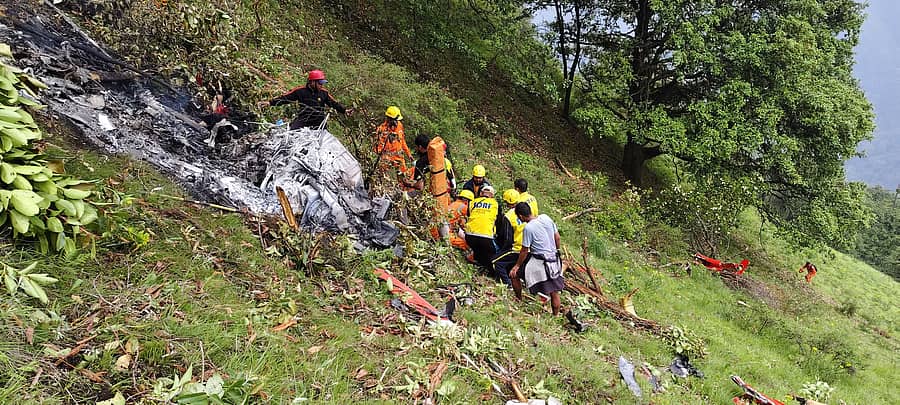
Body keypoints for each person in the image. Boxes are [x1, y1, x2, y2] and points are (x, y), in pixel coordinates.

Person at [510, 203, 565, 315]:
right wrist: (557, 251)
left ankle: (519, 300)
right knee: (554, 292)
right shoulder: (546, 217)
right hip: (554, 258)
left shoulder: (528, 228)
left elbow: (524, 250)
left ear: (520, 216)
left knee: (514, 275)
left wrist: (517, 266)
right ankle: (555, 316)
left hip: (539, 261)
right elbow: (557, 237)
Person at [257, 70, 351, 130]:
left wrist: (344, 110)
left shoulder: (324, 93)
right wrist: (270, 103)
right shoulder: (300, 91)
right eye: (319, 83)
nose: (321, 85)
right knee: (291, 132)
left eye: (322, 83)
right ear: (312, 82)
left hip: (318, 121)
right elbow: (285, 98)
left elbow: (334, 104)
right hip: (304, 119)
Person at [464, 186, 505, 282]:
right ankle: (493, 274)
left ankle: (478, 265)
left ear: (481, 193)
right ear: (492, 196)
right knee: (496, 253)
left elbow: (470, 216)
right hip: (486, 237)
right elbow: (498, 222)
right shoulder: (495, 204)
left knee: (478, 249)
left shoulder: (473, 202)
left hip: (469, 236)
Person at [493, 189, 526, 285]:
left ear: (507, 202)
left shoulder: (508, 216)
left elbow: (508, 238)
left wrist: (502, 250)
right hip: (527, 248)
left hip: (516, 248)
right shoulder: (526, 209)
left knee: (496, 262)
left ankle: (507, 283)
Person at [373, 106, 411, 174]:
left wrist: (408, 154)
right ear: (389, 119)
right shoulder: (381, 130)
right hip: (386, 159)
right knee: (381, 176)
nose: (397, 122)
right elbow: (377, 149)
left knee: (404, 177)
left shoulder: (399, 126)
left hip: (399, 158)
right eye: (395, 120)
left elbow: (402, 141)